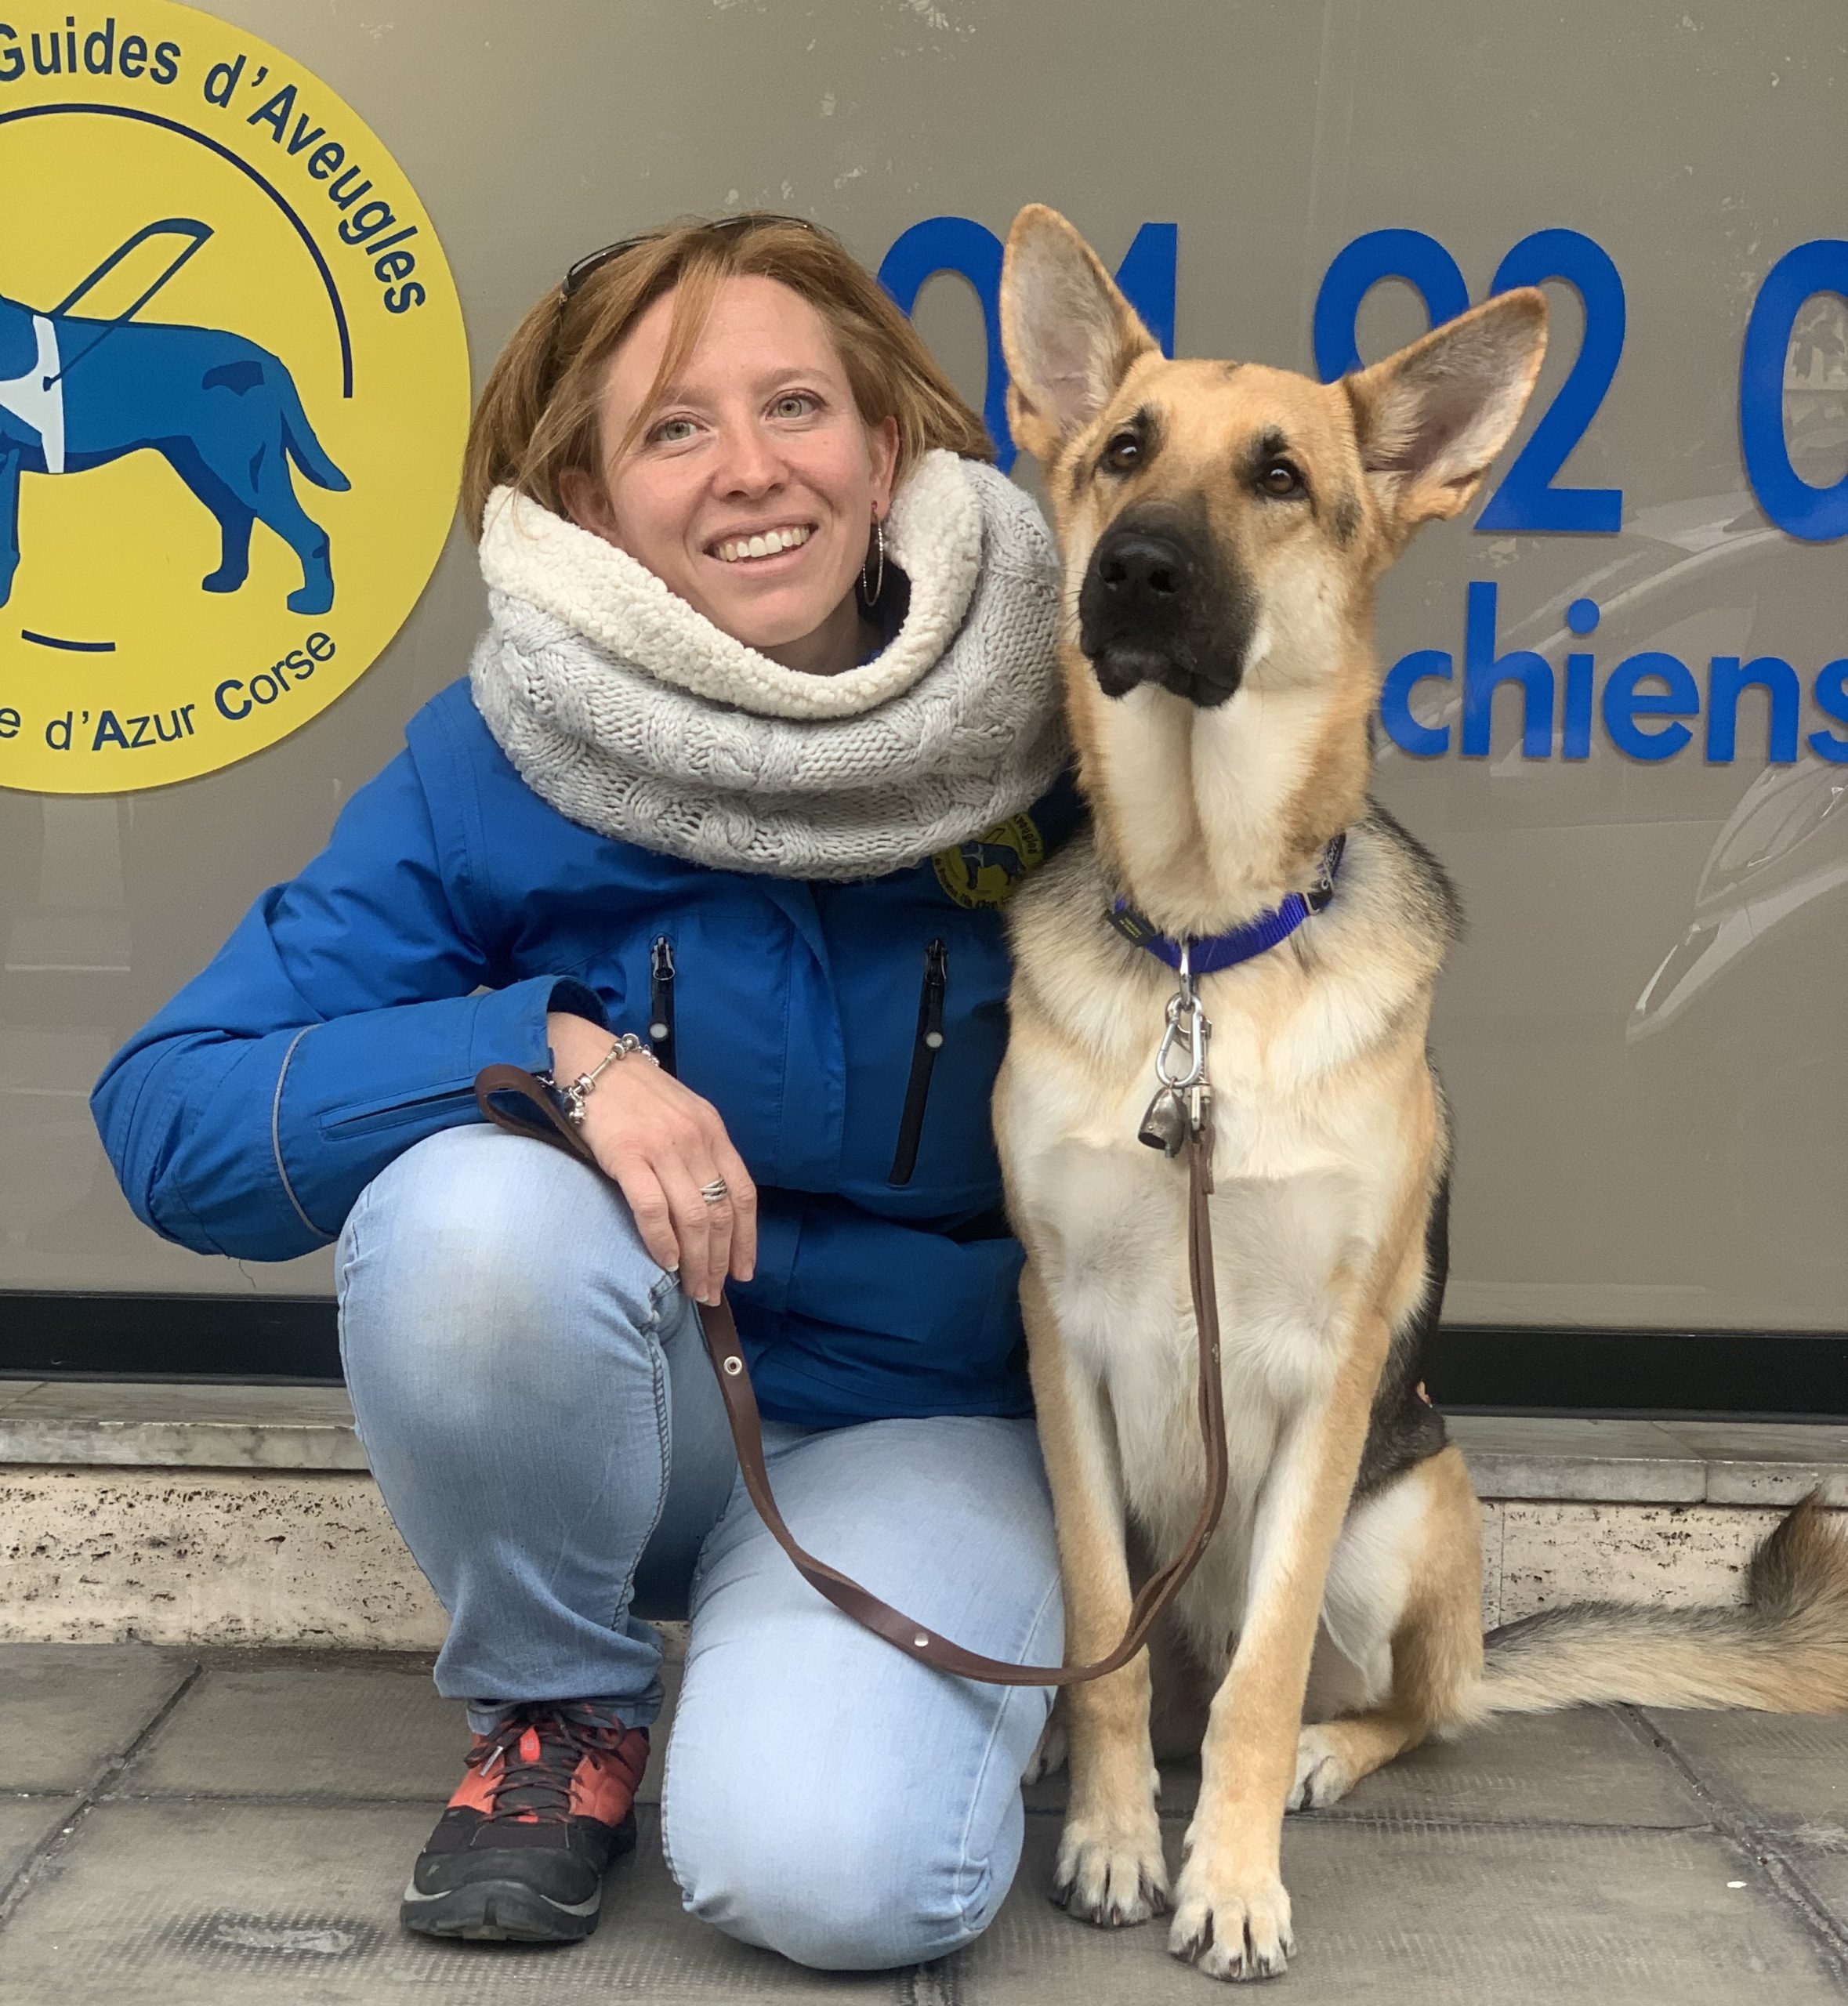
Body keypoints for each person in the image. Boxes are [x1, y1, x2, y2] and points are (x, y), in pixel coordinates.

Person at [92, 214, 1078, 1969]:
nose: (751, 469)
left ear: (892, 445)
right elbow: (171, 1115)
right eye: (673, 428)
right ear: (590, 497)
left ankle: (867, 1676)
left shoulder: (1067, 729)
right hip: (639, 1406)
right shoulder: (499, 756)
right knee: (468, 1207)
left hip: (926, 1416)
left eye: (797, 405)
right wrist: (550, 1050)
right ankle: (558, 1708)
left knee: (834, 1882)